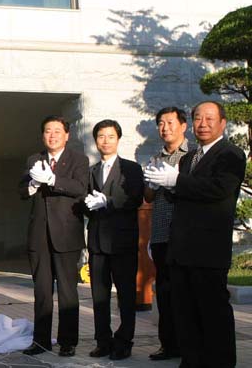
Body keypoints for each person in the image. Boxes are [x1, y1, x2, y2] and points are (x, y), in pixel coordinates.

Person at [144, 101, 245, 368]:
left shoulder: (230, 154)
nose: (203, 124)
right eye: (198, 118)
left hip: (208, 249)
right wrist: (165, 185)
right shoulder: (189, 158)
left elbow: (218, 190)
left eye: (209, 119)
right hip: (180, 248)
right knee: (185, 313)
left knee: (213, 313)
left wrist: (176, 181)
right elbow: (182, 197)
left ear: (222, 123)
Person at [18, 116, 88, 357]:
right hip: (39, 235)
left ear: (67, 135)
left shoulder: (79, 159)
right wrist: (33, 184)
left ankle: (68, 341)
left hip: (66, 234)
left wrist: (52, 179)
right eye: (48, 131)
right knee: (42, 291)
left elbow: (80, 187)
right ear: (43, 135)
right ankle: (41, 341)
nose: (52, 135)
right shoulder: (34, 159)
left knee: (67, 291)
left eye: (57, 131)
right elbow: (21, 190)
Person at [84, 119, 144, 360]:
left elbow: (134, 198)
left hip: (122, 243)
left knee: (126, 296)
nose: (105, 141)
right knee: (99, 296)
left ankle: (124, 341)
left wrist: (108, 201)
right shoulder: (91, 171)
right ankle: (103, 341)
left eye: (110, 136)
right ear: (95, 141)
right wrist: (87, 205)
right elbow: (86, 204)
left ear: (118, 139)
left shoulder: (131, 169)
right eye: (101, 136)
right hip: (97, 243)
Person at [144, 107, 188, 361]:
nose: (165, 128)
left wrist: (174, 182)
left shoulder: (192, 156)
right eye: (161, 123)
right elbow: (148, 197)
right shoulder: (155, 158)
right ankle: (167, 345)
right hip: (161, 234)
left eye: (170, 122)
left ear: (183, 126)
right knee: (164, 291)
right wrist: (151, 183)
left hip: (184, 234)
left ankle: (187, 344)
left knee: (184, 291)